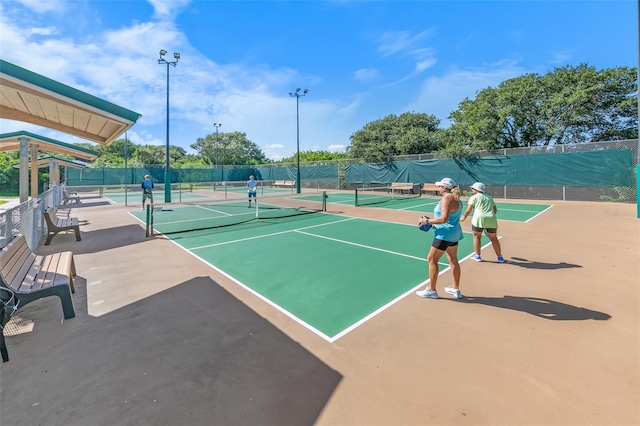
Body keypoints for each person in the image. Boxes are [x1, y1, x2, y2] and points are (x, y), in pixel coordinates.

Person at [416, 177, 465, 299]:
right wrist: (432, 224)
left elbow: (443, 219)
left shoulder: (447, 198)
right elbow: (450, 219)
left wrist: (426, 221)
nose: (438, 188)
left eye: (440, 186)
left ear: (444, 188)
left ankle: (432, 290)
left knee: (431, 259)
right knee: (453, 260)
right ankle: (455, 289)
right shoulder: (457, 199)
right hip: (453, 234)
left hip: (444, 235)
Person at [461, 182, 504, 263]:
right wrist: (489, 216)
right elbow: (495, 210)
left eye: (473, 188)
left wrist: (464, 217)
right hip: (491, 219)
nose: (472, 189)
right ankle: (500, 257)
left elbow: (469, 209)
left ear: (476, 189)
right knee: (494, 239)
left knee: (477, 237)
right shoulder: (490, 197)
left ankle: (477, 256)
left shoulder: (474, 197)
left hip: (478, 219)